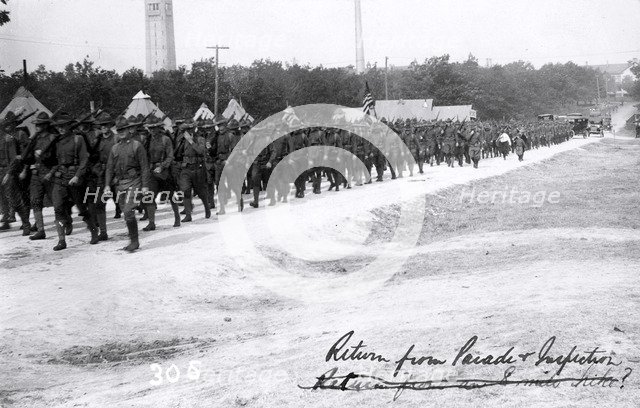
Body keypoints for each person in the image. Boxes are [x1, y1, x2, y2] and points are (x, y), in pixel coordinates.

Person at [49, 112, 98, 250]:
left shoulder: (78, 139)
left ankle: (93, 230)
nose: (61, 128)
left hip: (74, 177)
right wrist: (54, 171)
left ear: (69, 126)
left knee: (81, 208)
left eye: (63, 125)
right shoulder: (56, 142)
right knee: (58, 208)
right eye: (58, 126)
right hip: (60, 178)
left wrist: (77, 175)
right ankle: (61, 240)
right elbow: (52, 160)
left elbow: (84, 159)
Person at [104, 116, 151, 252]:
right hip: (120, 184)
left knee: (128, 211)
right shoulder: (115, 148)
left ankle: (134, 242)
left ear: (129, 129)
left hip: (134, 182)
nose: (121, 132)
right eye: (119, 130)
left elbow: (144, 167)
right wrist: (107, 185)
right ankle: (133, 239)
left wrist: (145, 186)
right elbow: (109, 168)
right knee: (126, 213)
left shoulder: (137, 145)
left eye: (124, 129)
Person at [144, 115, 181, 229]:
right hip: (152, 172)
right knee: (149, 197)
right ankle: (151, 223)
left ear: (159, 127)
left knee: (171, 195)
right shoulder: (147, 140)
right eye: (150, 128)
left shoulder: (166, 139)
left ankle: (177, 217)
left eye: (154, 128)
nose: (152, 130)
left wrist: (162, 166)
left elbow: (170, 156)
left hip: (164, 172)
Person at [175, 118, 211, 222]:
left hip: (197, 168)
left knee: (201, 192)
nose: (188, 131)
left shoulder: (200, 139)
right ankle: (188, 214)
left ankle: (207, 208)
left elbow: (200, 151)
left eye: (190, 129)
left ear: (194, 129)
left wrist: (191, 141)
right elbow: (177, 153)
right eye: (186, 129)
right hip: (186, 168)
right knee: (185, 191)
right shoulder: (182, 140)